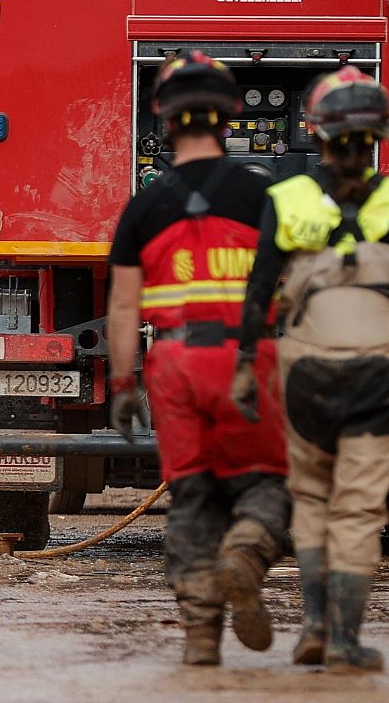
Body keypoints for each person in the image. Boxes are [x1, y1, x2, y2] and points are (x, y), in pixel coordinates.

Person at [232, 67, 389, 673]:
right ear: (378, 135)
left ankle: (312, 623)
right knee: (357, 509)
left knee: (311, 497)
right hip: (379, 378)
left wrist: (249, 364)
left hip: (307, 377)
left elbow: (258, 293)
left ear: (317, 134)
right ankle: (345, 641)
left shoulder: (287, 199)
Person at [105, 52, 290, 667]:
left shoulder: (143, 207)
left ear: (163, 118)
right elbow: (291, 292)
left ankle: (201, 637)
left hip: (175, 365)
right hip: (249, 359)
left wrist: (124, 384)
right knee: (266, 481)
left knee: (191, 496)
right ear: (231, 114)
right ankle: (244, 553)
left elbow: (125, 309)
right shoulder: (265, 194)